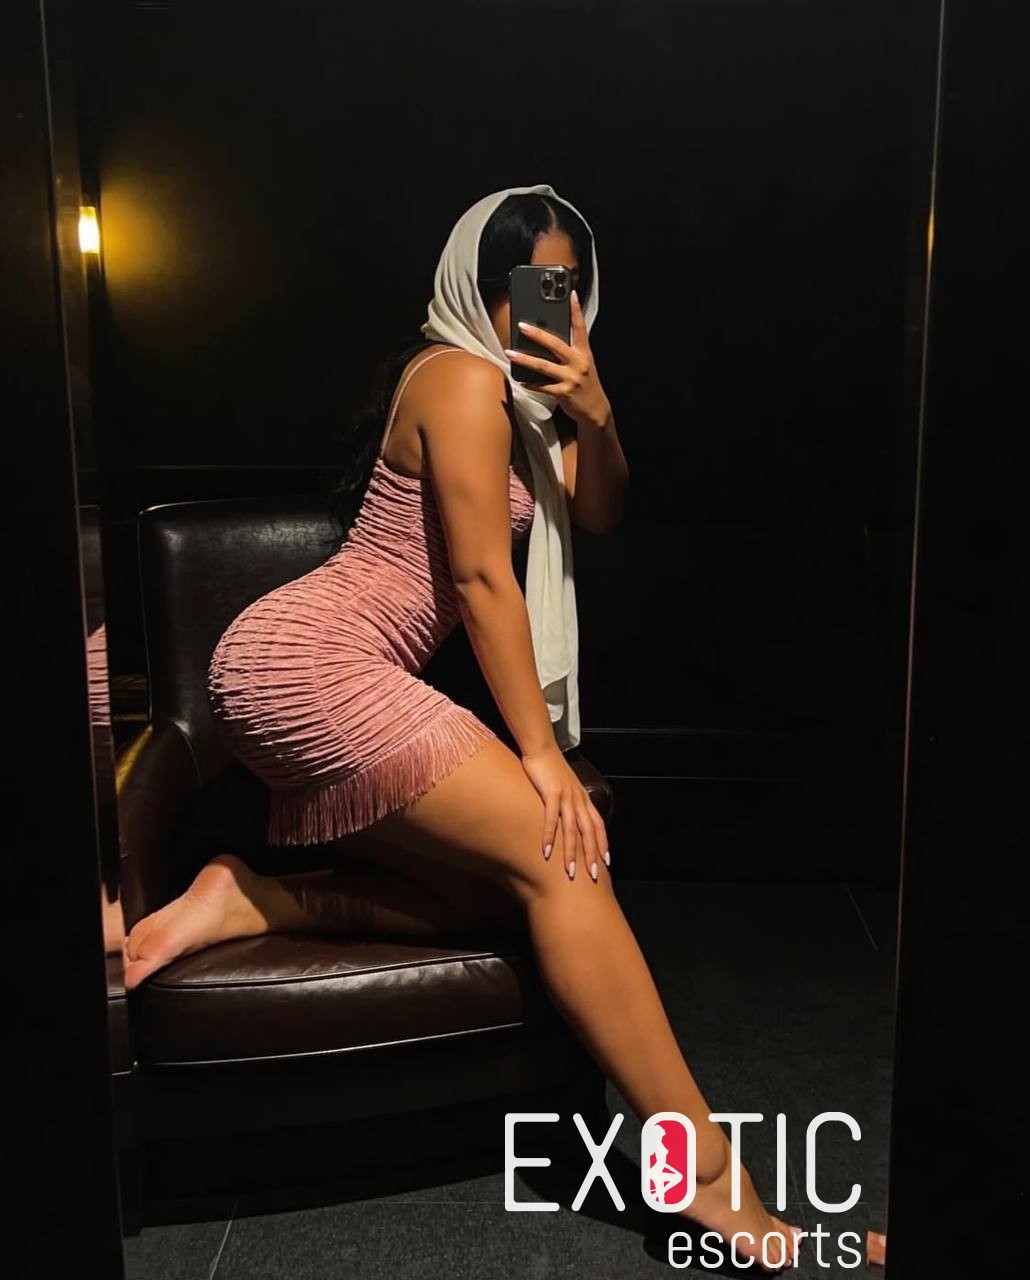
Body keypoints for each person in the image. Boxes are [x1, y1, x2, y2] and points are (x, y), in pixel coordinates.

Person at [122, 185, 803, 1271]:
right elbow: (485, 581)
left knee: (501, 897)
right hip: (311, 658)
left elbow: (600, 509)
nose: (542, 306)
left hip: (311, 665)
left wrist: (597, 411)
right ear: (475, 287)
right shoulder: (458, 376)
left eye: (564, 286)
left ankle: (256, 895)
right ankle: (711, 1184)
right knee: (566, 864)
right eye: (523, 284)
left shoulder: (526, 406)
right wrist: (541, 758)